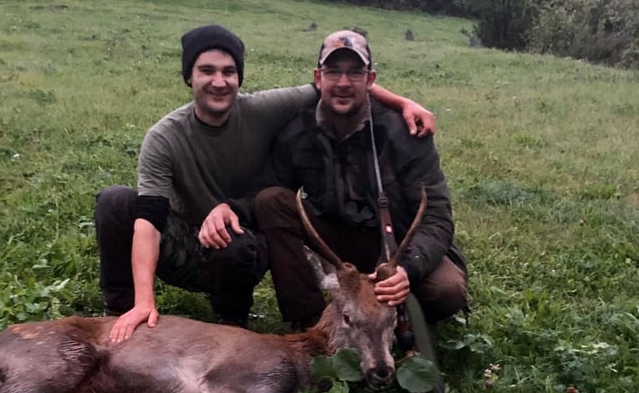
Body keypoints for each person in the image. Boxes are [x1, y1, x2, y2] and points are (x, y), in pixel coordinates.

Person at [95, 24, 437, 343]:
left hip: (240, 243)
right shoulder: (163, 137)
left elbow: (339, 86)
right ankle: (122, 314)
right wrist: (144, 299)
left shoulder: (264, 109)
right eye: (207, 71)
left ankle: (231, 322)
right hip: (186, 241)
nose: (219, 82)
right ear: (189, 77)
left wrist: (402, 103)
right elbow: (149, 220)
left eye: (229, 72)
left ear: (239, 78)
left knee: (238, 243)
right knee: (115, 201)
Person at [254, 30, 468, 331]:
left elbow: (437, 216)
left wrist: (408, 268)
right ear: (318, 77)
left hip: (394, 247)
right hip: (336, 243)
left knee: (447, 290)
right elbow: (269, 189)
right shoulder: (297, 132)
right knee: (271, 201)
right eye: (333, 71)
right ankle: (311, 323)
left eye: (355, 73)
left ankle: (392, 312)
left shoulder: (406, 133)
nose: (343, 83)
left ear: (370, 80)